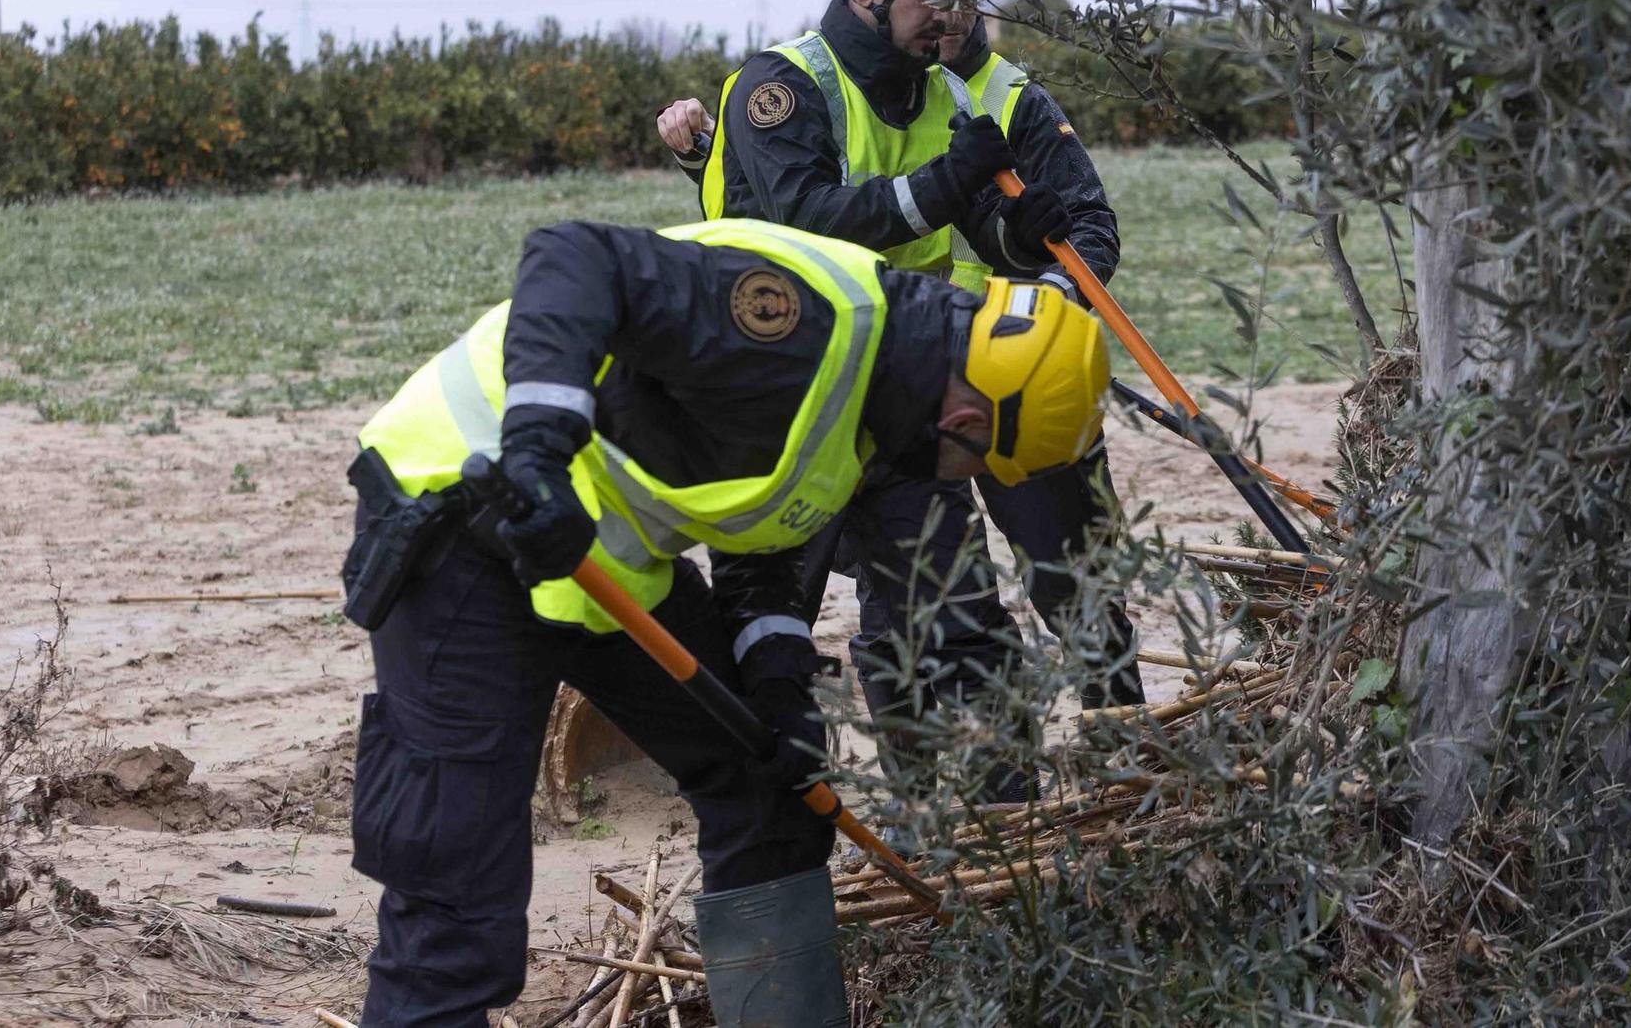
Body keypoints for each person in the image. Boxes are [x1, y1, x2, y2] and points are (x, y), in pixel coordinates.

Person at [341, 215, 1109, 1027]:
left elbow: (766, 531)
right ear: (968, 421)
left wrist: (776, 685)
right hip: (469, 512)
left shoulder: (891, 400)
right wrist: (537, 459)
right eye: (978, 464)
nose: (959, 477)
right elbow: (569, 255)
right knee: (458, 883)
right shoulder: (800, 322)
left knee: (772, 790)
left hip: (599, 563)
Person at [655, 0, 1144, 806]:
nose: (956, 16)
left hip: (928, 383)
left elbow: (1044, 225)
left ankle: (1027, 808)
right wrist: (949, 191)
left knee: (967, 607)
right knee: (765, 625)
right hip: (779, 404)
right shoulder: (779, 89)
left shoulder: (972, 90)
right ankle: (754, 806)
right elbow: (804, 231)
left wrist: (1022, 265)